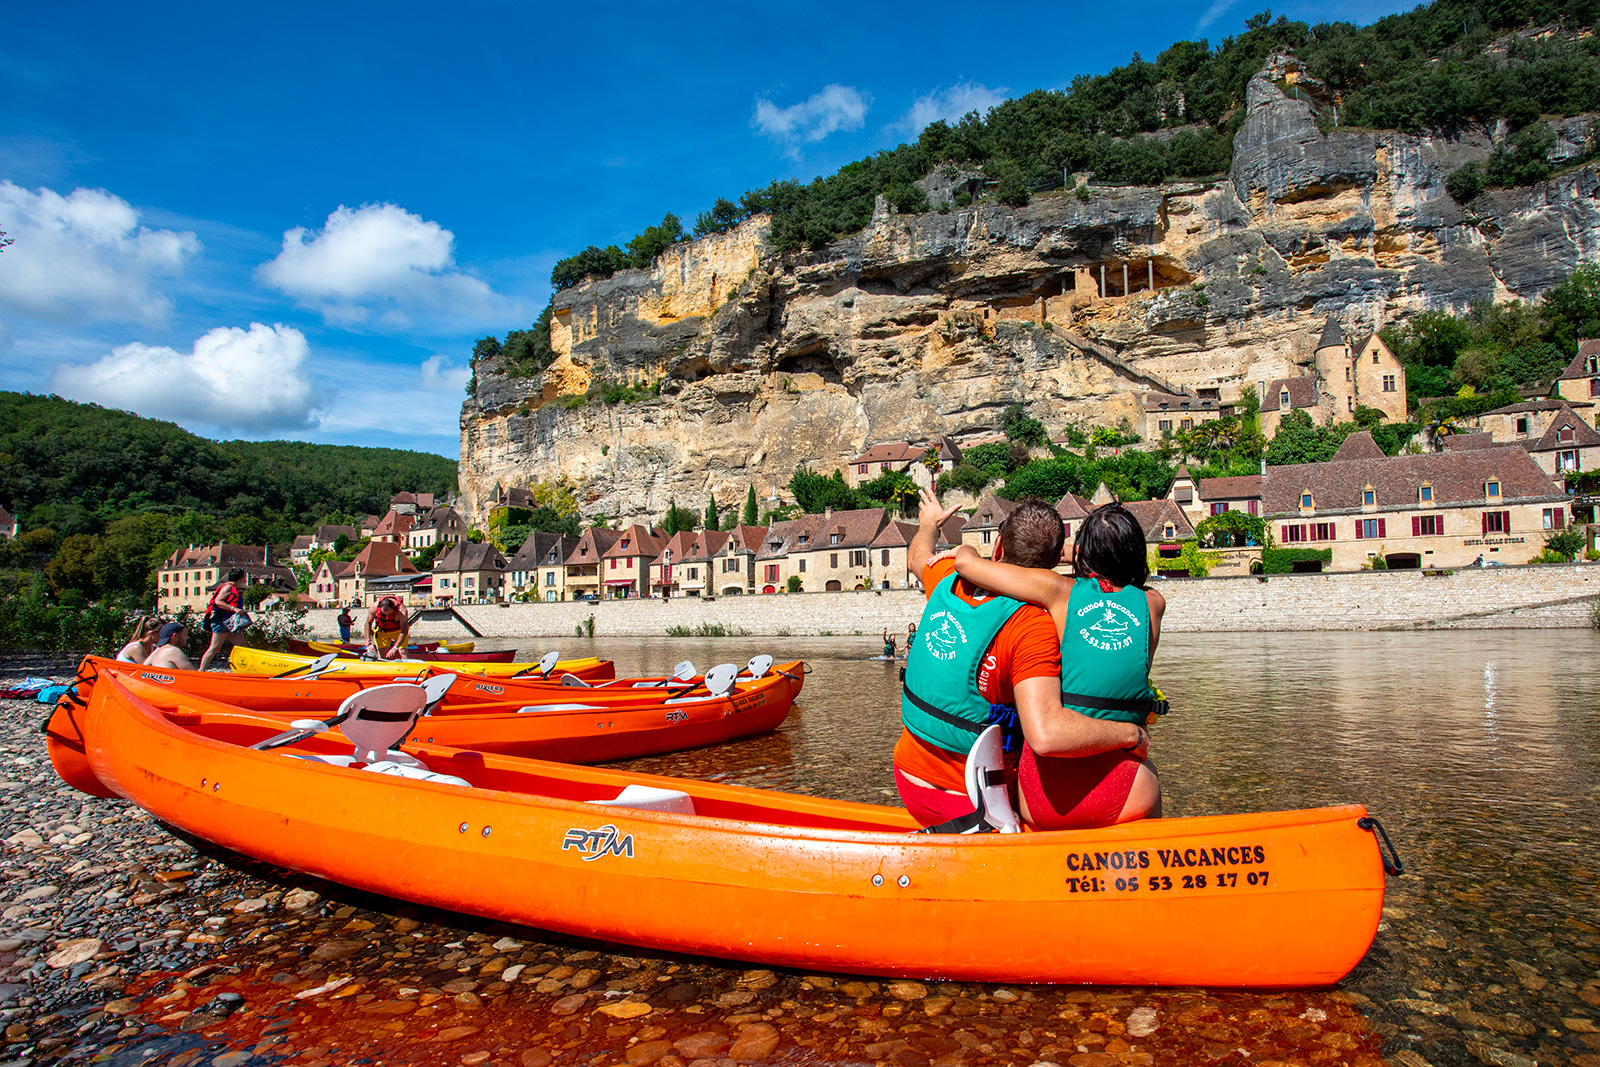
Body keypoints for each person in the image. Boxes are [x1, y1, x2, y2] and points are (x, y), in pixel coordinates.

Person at [897, 487, 1144, 829]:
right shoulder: (1035, 625)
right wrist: (1130, 734)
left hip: (908, 780)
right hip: (975, 805)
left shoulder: (949, 577)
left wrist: (929, 523)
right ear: (1054, 563)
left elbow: (916, 557)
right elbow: (1048, 732)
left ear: (998, 546)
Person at [198, 567, 248, 671]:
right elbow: (218, 601)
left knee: (242, 647)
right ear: (241, 578)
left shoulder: (232, 588)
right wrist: (234, 609)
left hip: (231, 623)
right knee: (215, 648)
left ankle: (244, 670)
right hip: (222, 622)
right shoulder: (228, 588)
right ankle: (201, 670)